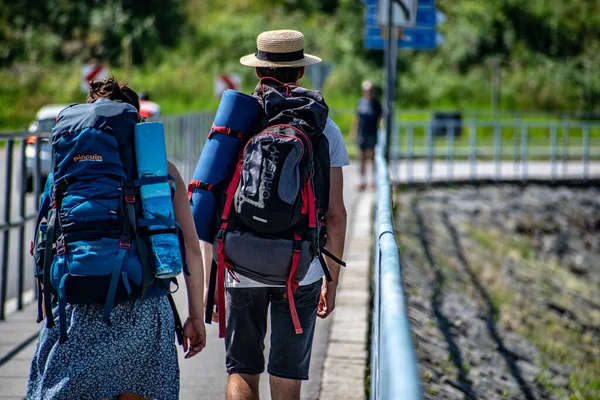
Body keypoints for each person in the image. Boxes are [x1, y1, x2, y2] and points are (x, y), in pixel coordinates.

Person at [27, 78, 206, 400]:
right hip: (144, 305)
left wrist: (48, 306)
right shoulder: (160, 170)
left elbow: (45, 242)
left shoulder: (64, 172)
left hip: (77, 307)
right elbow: (191, 249)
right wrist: (195, 316)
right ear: (136, 124)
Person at [202, 29, 349, 400]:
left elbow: (210, 197)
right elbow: (335, 214)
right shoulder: (323, 126)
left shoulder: (238, 120)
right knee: (286, 378)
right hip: (300, 267)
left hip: (240, 263)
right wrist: (331, 279)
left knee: (243, 371)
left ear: (257, 72)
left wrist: (212, 280)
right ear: (300, 73)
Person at [351, 80, 382, 190]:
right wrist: (354, 131)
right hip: (362, 133)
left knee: (372, 157)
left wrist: (382, 129)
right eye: (365, 90)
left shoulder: (376, 104)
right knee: (362, 157)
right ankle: (362, 180)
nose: (367, 92)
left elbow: (381, 118)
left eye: (369, 90)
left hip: (372, 133)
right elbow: (357, 118)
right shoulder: (361, 102)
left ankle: (373, 180)